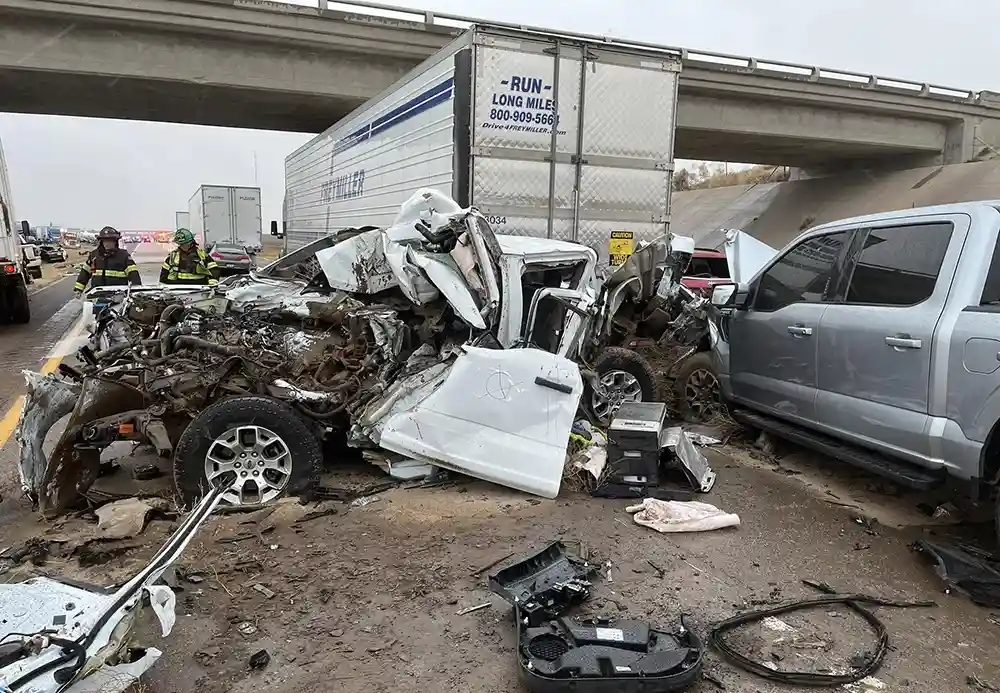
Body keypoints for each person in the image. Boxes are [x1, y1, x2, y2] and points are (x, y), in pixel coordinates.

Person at [73, 226, 141, 296]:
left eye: (110, 241)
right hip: (97, 295)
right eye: (104, 241)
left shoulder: (124, 256)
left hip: (118, 296)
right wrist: (79, 289)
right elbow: (85, 272)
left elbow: (133, 275)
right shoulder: (94, 255)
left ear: (115, 242)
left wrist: (136, 292)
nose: (107, 243)